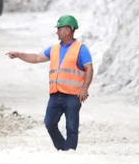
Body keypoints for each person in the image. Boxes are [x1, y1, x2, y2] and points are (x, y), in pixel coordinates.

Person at [6, 14, 94, 151]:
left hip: (73, 96)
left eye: (59, 28)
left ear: (68, 30)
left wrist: (85, 89)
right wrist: (19, 55)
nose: (57, 32)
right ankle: (63, 149)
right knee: (49, 123)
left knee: (71, 127)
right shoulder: (54, 49)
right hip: (56, 94)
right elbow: (36, 57)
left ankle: (69, 152)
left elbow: (89, 68)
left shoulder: (81, 49)